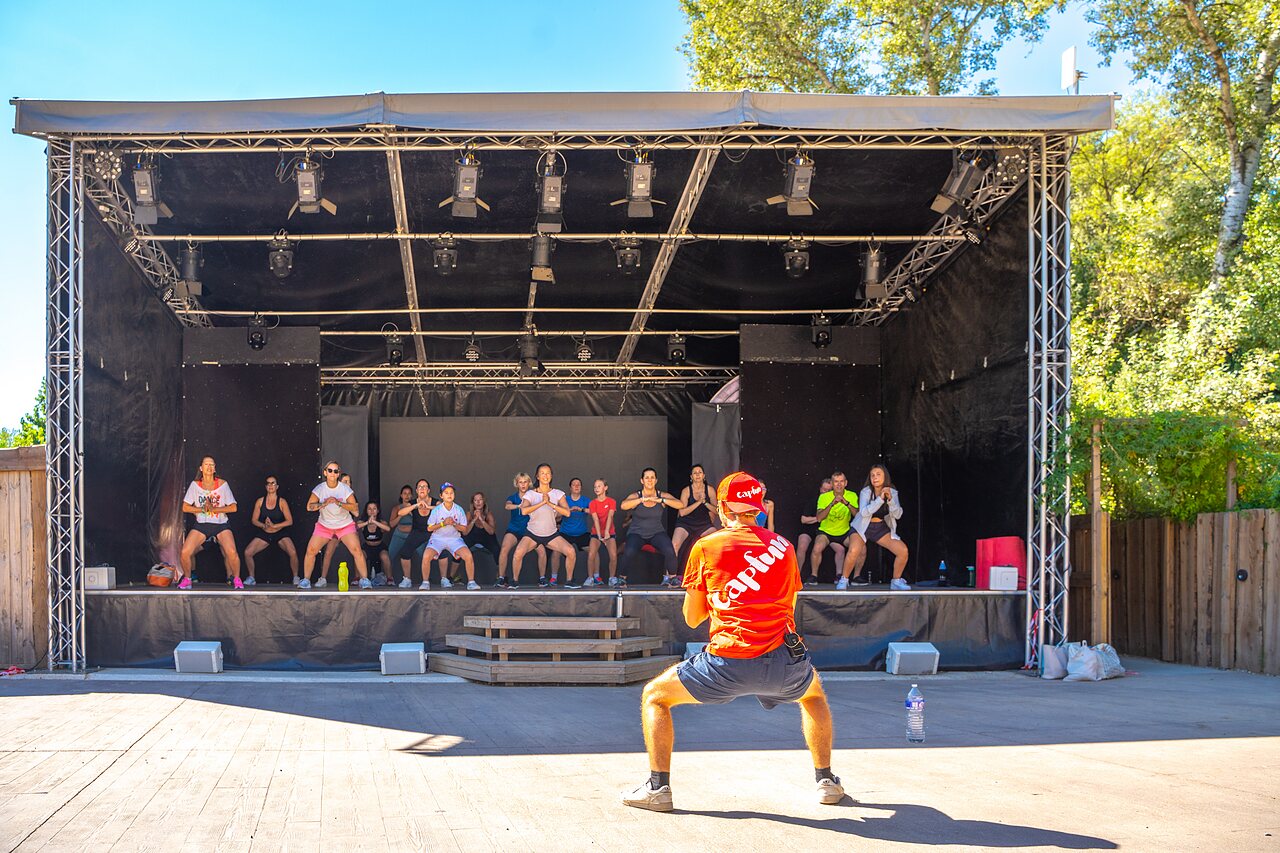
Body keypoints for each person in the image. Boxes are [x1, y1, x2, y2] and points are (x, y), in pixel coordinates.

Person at [621, 471, 844, 812]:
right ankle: (826, 782)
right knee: (813, 695)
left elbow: (692, 617)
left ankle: (658, 788)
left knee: (655, 696)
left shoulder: (706, 546)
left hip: (728, 662)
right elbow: (790, 608)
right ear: (757, 508)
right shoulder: (783, 547)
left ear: (723, 508)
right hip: (783, 661)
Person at [300, 462, 371, 590]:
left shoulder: (345, 489)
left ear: (338, 473)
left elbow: (355, 508)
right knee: (311, 550)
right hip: (324, 525)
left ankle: (365, 580)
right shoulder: (320, 489)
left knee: (356, 550)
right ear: (325, 472)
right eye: (330, 470)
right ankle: (306, 580)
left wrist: (338, 503)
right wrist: (323, 503)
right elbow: (309, 506)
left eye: (336, 471)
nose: (333, 473)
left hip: (344, 525)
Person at [839, 464, 910, 591]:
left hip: (880, 528)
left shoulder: (892, 492)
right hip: (862, 527)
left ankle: (896, 580)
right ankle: (844, 579)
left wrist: (890, 500)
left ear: (885, 477)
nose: (875, 478)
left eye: (878, 475)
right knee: (854, 550)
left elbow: (898, 515)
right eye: (872, 475)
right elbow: (864, 512)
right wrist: (880, 499)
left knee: (902, 551)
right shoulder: (866, 491)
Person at [178, 455, 243, 589]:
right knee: (185, 551)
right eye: (206, 464)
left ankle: (237, 579)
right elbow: (185, 507)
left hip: (221, 524)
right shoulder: (195, 485)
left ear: (214, 469)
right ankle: (188, 579)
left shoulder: (223, 484)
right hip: (202, 525)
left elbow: (233, 507)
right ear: (201, 468)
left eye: (212, 465)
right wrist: (201, 508)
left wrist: (215, 509)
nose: (209, 467)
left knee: (231, 552)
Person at [511, 463, 578, 588]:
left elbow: (567, 512)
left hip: (551, 534)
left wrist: (551, 504)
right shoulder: (530, 494)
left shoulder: (558, 493)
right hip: (532, 534)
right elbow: (524, 511)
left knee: (570, 551)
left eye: (548, 473)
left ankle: (569, 581)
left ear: (551, 476)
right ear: (537, 476)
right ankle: (514, 582)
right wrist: (542, 502)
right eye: (542, 473)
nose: (545, 475)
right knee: (518, 553)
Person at [619, 468, 685, 587]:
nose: (649, 480)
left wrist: (661, 500)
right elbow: (623, 505)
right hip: (637, 533)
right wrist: (640, 500)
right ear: (642, 480)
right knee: (629, 551)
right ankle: (622, 578)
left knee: (669, 549)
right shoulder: (636, 495)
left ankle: (672, 577)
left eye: (652, 477)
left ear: (656, 480)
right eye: (647, 477)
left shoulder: (661, 495)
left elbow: (680, 504)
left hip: (656, 532)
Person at [420, 483, 480, 590]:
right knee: (426, 556)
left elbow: (464, 529)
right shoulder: (436, 510)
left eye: (451, 493)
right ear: (441, 495)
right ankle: (425, 582)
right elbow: (429, 528)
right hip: (437, 538)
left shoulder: (459, 509)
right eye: (446, 493)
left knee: (468, 556)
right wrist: (443, 523)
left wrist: (454, 524)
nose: (449, 495)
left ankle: (471, 582)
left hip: (454, 539)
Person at [244, 475, 298, 585]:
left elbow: (289, 521)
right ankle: (251, 577)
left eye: (273, 483)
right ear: (266, 486)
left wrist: (275, 526)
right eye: (268, 483)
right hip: (265, 532)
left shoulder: (282, 502)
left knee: (292, 552)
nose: (271, 485)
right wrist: (264, 526)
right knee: (247, 552)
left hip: (280, 532)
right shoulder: (260, 501)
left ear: (277, 486)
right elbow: (254, 520)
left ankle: (296, 577)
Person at [495, 472, 545, 588]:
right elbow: (507, 506)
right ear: (517, 484)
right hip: (514, 529)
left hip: (530, 530)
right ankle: (502, 578)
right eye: (520, 482)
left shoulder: (533, 496)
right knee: (504, 548)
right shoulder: (513, 497)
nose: (523, 484)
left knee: (542, 551)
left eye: (525, 482)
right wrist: (519, 506)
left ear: (529, 483)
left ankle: (542, 578)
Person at [808, 471, 854, 583]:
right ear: (832, 484)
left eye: (841, 481)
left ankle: (855, 577)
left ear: (846, 483)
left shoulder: (852, 495)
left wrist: (846, 503)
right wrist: (831, 504)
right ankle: (814, 576)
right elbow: (819, 518)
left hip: (844, 531)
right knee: (817, 547)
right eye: (836, 482)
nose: (839, 484)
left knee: (860, 548)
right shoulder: (824, 497)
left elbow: (857, 515)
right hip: (826, 532)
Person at [392, 479, 436, 588]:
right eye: (419, 487)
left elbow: (442, 508)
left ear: (428, 490)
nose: (422, 488)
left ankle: (444, 579)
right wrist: (416, 506)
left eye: (424, 486)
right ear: (416, 490)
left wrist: (427, 506)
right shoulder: (413, 502)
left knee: (441, 553)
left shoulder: (435, 501)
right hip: (417, 532)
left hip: (433, 532)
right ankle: (407, 579)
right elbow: (400, 512)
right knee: (405, 552)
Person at [671, 464, 717, 565]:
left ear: (704, 476)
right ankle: (669, 576)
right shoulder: (686, 490)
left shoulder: (710, 490)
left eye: (700, 472)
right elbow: (682, 512)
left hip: (703, 524)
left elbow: (717, 511)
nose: (697, 475)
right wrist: (699, 502)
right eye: (695, 473)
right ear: (691, 477)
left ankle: (713, 573)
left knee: (716, 543)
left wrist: (705, 502)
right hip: (685, 523)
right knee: (674, 545)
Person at [552, 477, 592, 586]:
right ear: (570, 488)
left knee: (593, 550)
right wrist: (567, 510)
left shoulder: (586, 500)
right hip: (566, 533)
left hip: (582, 533)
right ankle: (553, 578)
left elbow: (595, 511)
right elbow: (555, 515)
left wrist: (581, 509)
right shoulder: (565, 500)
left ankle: (595, 577)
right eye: (574, 484)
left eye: (578, 484)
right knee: (556, 550)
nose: (576, 486)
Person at [320, 472, 356, 585]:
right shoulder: (332, 495)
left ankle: (359, 578)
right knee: (328, 552)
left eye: (349, 482)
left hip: (347, 528)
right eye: (345, 481)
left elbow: (356, 512)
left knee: (357, 551)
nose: (347, 484)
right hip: (333, 528)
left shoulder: (351, 496)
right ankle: (323, 578)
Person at [797, 478, 832, 582]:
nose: (825, 492)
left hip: (826, 531)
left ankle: (840, 577)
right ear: (820, 489)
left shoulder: (836, 504)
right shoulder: (813, 501)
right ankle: (796, 575)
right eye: (824, 489)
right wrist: (818, 518)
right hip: (809, 530)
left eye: (828, 491)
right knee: (802, 545)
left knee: (840, 549)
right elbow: (803, 519)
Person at [586, 478, 618, 587]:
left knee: (613, 555)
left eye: (599, 486)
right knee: (591, 554)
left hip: (610, 533)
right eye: (595, 487)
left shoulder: (611, 501)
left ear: (605, 487)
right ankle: (590, 578)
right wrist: (600, 536)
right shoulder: (592, 503)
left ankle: (612, 578)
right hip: (596, 533)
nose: (596, 488)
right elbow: (595, 519)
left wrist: (607, 533)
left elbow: (610, 516)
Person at [385, 484, 416, 588]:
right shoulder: (396, 508)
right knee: (389, 556)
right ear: (401, 495)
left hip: (412, 535)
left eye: (409, 494)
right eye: (404, 493)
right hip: (399, 534)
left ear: (412, 496)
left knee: (425, 554)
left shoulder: (415, 507)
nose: (407, 496)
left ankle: (427, 579)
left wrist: (412, 513)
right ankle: (388, 578)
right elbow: (392, 524)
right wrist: (400, 515)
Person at [357, 501, 391, 583]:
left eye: (374, 509)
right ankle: (357, 578)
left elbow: (388, 529)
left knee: (385, 556)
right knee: (358, 555)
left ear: (378, 510)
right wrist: (367, 522)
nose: (372, 511)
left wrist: (375, 522)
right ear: (366, 511)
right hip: (367, 546)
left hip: (379, 546)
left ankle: (390, 578)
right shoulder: (362, 522)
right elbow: (355, 527)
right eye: (369, 509)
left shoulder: (382, 522)